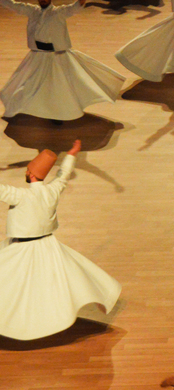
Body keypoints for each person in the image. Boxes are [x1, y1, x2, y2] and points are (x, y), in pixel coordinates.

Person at [0, 141, 121, 341]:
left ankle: (20, 323)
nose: (27, 172)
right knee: (49, 285)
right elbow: (63, 175)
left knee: (13, 283)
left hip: (23, 248)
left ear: (31, 175)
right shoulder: (52, 191)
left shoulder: (21, 195)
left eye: (28, 170)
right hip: (48, 246)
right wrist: (72, 154)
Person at [0, 0, 125, 121]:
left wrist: (82, 0)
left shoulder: (58, 12)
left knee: (58, 87)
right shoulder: (32, 11)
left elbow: (72, 9)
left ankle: (59, 113)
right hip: (37, 56)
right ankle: (30, 109)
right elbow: (13, 5)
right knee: (28, 85)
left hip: (56, 57)